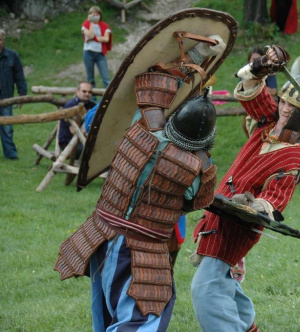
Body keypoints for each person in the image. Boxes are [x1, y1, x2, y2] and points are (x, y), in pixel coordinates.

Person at [54, 34, 226, 330]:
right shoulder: (194, 171)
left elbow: (154, 80)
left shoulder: (143, 130)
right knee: (140, 319)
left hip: (100, 232)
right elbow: (199, 199)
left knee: (107, 311)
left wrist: (197, 54)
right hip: (139, 249)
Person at [191, 46, 300, 332]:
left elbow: (276, 195)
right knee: (224, 281)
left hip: (240, 224)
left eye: (293, 107)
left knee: (206, 289)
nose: (285, 109)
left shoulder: (294, 154)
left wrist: (255, 206)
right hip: (219, 213)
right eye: (283, 101)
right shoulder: (266, 124)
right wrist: (263, 65)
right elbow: (252, 89)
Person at [0, 28, 27, 160]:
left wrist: (22, 94)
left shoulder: (12, 55)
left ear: (3, 40)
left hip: (6, 97)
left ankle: (10, 153)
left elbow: (19, 76)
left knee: (7, 126)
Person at [242, 47, 279, 137]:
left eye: (259, 59)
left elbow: (273, 91)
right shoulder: (245, 71)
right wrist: (263, 88)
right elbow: (243, 90)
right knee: (249, 129)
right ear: (249, 60)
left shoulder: (269, 69)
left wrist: (255, 88)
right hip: (250, 107)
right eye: (253, 59)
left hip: (267, 106)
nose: (256, 62)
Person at [58, 82, 95, 159]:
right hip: (68, 142)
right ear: (77, 91)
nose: (87, 94)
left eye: (90, 92)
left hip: (83, 140)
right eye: (84, 91)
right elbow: (74, 131)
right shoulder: (71, 105)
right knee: (91, 151)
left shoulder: (92, 106)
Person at [82, 6, 112, 88]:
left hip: (100, 54)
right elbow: (90, 35)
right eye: (92, 15)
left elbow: (106, 39)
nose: (94, 16)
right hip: (88, 52)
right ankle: (91, 98)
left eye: (96, 14)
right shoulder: (86, 24)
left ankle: (109, 97)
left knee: (106, 78)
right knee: (90, 78)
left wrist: (94, 38)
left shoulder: (104, 26)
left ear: (100, 15)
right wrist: (91, 22)